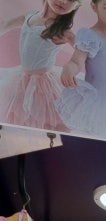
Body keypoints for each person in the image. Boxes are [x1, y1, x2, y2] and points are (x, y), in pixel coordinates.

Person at [57, 0, 106, 142]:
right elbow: (76, 61)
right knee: (94, 137)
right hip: (97, 101)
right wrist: (68, 68)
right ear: (94, 6)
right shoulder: (90, 36)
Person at [0, 0, 80, 132]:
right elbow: (5, 25)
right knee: (17, 117)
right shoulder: (29, 16)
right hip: (21, 79)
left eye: (71, 0)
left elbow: (84, 52)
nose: (63, 1)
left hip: (43, 85)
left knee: (48, 121)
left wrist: (72, 65)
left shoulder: (63, 31)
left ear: (77, 5)